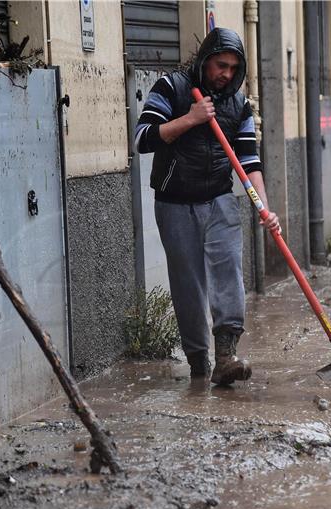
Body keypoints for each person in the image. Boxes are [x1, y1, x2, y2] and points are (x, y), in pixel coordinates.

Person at [134, 28, 280, 385]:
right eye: (220, 65)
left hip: (219, 199)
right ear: (205, 60)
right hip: (175, 201)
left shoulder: (239, 105)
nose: (226, 74)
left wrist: (264, 207)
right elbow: (142, 138)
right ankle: (199, 363)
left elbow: (249, 161)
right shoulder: (171, 88)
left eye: (233, 67)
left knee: (228, 270)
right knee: (188, 284)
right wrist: (191, 118)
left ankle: (226, 356)